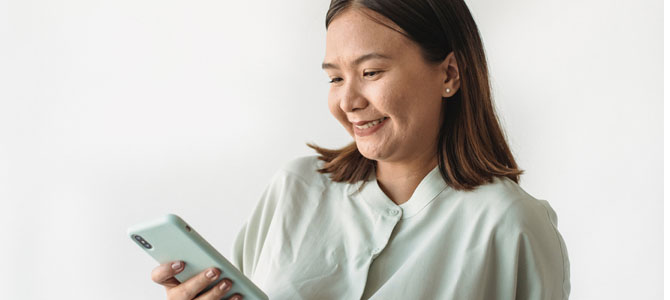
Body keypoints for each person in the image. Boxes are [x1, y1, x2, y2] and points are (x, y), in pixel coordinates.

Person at [149, 0, 571, 299]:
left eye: (370, 72)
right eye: (335, 78)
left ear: (450, 73)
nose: (348, 101)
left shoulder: (511, 226)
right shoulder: (293, 190)